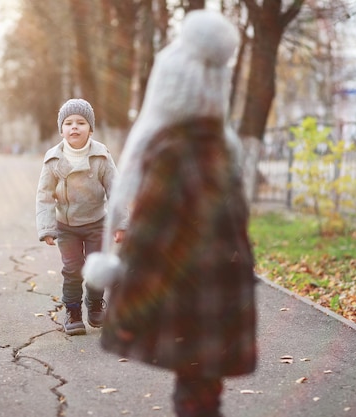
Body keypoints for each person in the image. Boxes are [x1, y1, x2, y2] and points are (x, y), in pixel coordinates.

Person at [83, 10, 256, 417]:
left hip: (191, 293)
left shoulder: (170, 152)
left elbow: (150, 234)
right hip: (225, 290)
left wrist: (126, 305)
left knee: (192, 399)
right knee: (203, 392)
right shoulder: (222, 148)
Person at [36, 98, 126, 336]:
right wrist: (46, 228)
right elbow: (44, 195)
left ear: (91, 128)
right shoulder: (53, 159)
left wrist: (120, 223)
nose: (74, 127)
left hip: (97, 222)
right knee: (73, 269)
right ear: (61, 129)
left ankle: (95, 306)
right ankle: (73, 312)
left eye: (81, 122)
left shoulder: (101, 156)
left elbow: (116, 190)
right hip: (66, 226)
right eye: (68, 123)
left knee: (96, 266)